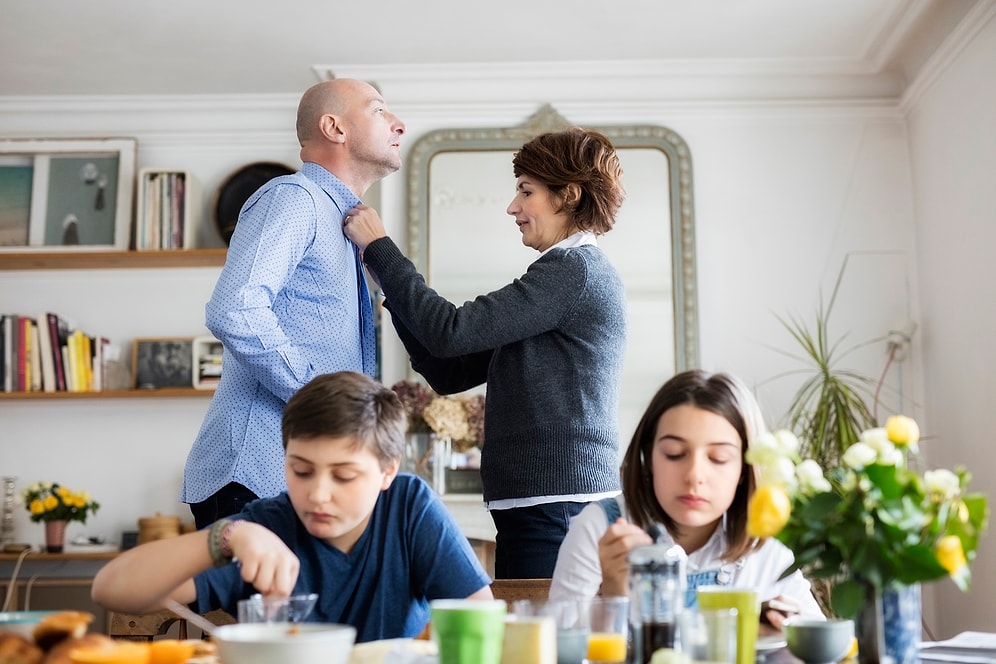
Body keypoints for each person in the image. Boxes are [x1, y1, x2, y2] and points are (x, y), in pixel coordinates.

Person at [343, 127, 627, 579]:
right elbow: (448, 370)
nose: (513, 207)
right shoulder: (564, 278)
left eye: (526, 191)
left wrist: (381, 249)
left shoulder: (574, 272)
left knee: (539, 648)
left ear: (569, 195)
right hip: (542, 503)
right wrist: (390, 292)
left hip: (556, 505)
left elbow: (451, 331)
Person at [93, 371, 493, 643]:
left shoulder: (409, 509)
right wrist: (226, 535)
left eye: (344, 476)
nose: (318, 494)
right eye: (301, 471)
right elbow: (110, 590)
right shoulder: (266, 526)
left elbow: (481, 624)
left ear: (387, 472)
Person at [180, 79, 406, 529]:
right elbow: (235, 310)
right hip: (257, 480)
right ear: (334, 127)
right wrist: (321, 400)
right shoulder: (294, 199)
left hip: (298, 480)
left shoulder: (342, 221)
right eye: (380, 110)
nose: (399, 124)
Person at [548, 369, 824, 632]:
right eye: (674, 453)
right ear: (649, 458)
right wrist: (613, 596)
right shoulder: (599, 529)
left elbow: (822, 645)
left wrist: (790, 635)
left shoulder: (764, 541)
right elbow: (558, 653)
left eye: (718, 459)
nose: (694, 476)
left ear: (744, 468)